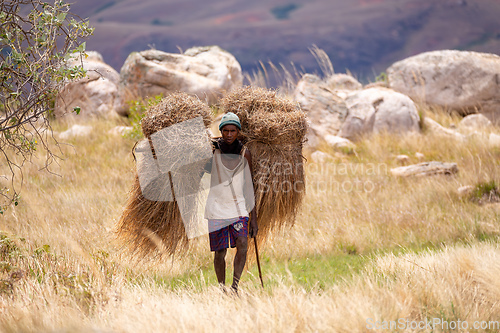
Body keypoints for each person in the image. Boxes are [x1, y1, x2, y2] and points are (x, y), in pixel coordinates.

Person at [204, 112, 258, 293]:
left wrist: (254, 219)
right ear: (221, 131)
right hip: (216, 207)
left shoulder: (244, 154)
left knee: (242, 243)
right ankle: (221, 287)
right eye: (225, 130)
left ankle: (234, 288)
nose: (228, 134)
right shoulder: (213, 151)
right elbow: (199, 172)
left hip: (238, 207)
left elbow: (249, 187)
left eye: (232, 131)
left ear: (238, 132)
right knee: (220, 251)